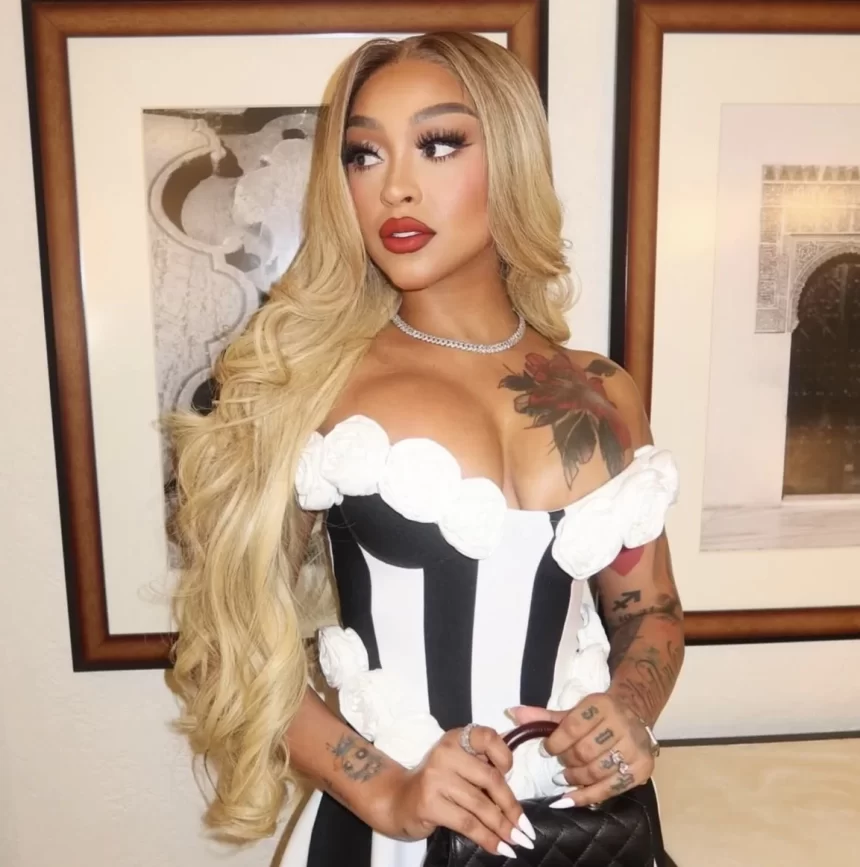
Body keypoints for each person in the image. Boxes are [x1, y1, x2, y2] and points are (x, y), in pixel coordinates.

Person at [168, 31, 685, 867]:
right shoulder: (315, 386)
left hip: (587, 835)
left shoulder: (604, 392)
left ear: (510, 158)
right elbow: (231, 639)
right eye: (363, 155)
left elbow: (648, 610)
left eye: (438, 144)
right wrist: (385, 790)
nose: (395, 187)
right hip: (387, 840)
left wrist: (630, 709)